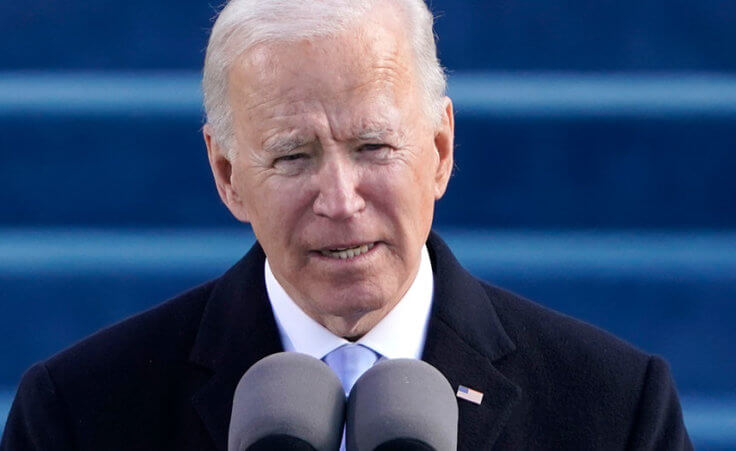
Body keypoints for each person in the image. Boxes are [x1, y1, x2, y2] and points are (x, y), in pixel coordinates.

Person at [1, 0, 692, 449]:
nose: (340, 198)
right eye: (293, 155)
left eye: (373, 147)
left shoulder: (616, 410)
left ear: (440, 151)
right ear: (227, 173)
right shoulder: (77, 415)